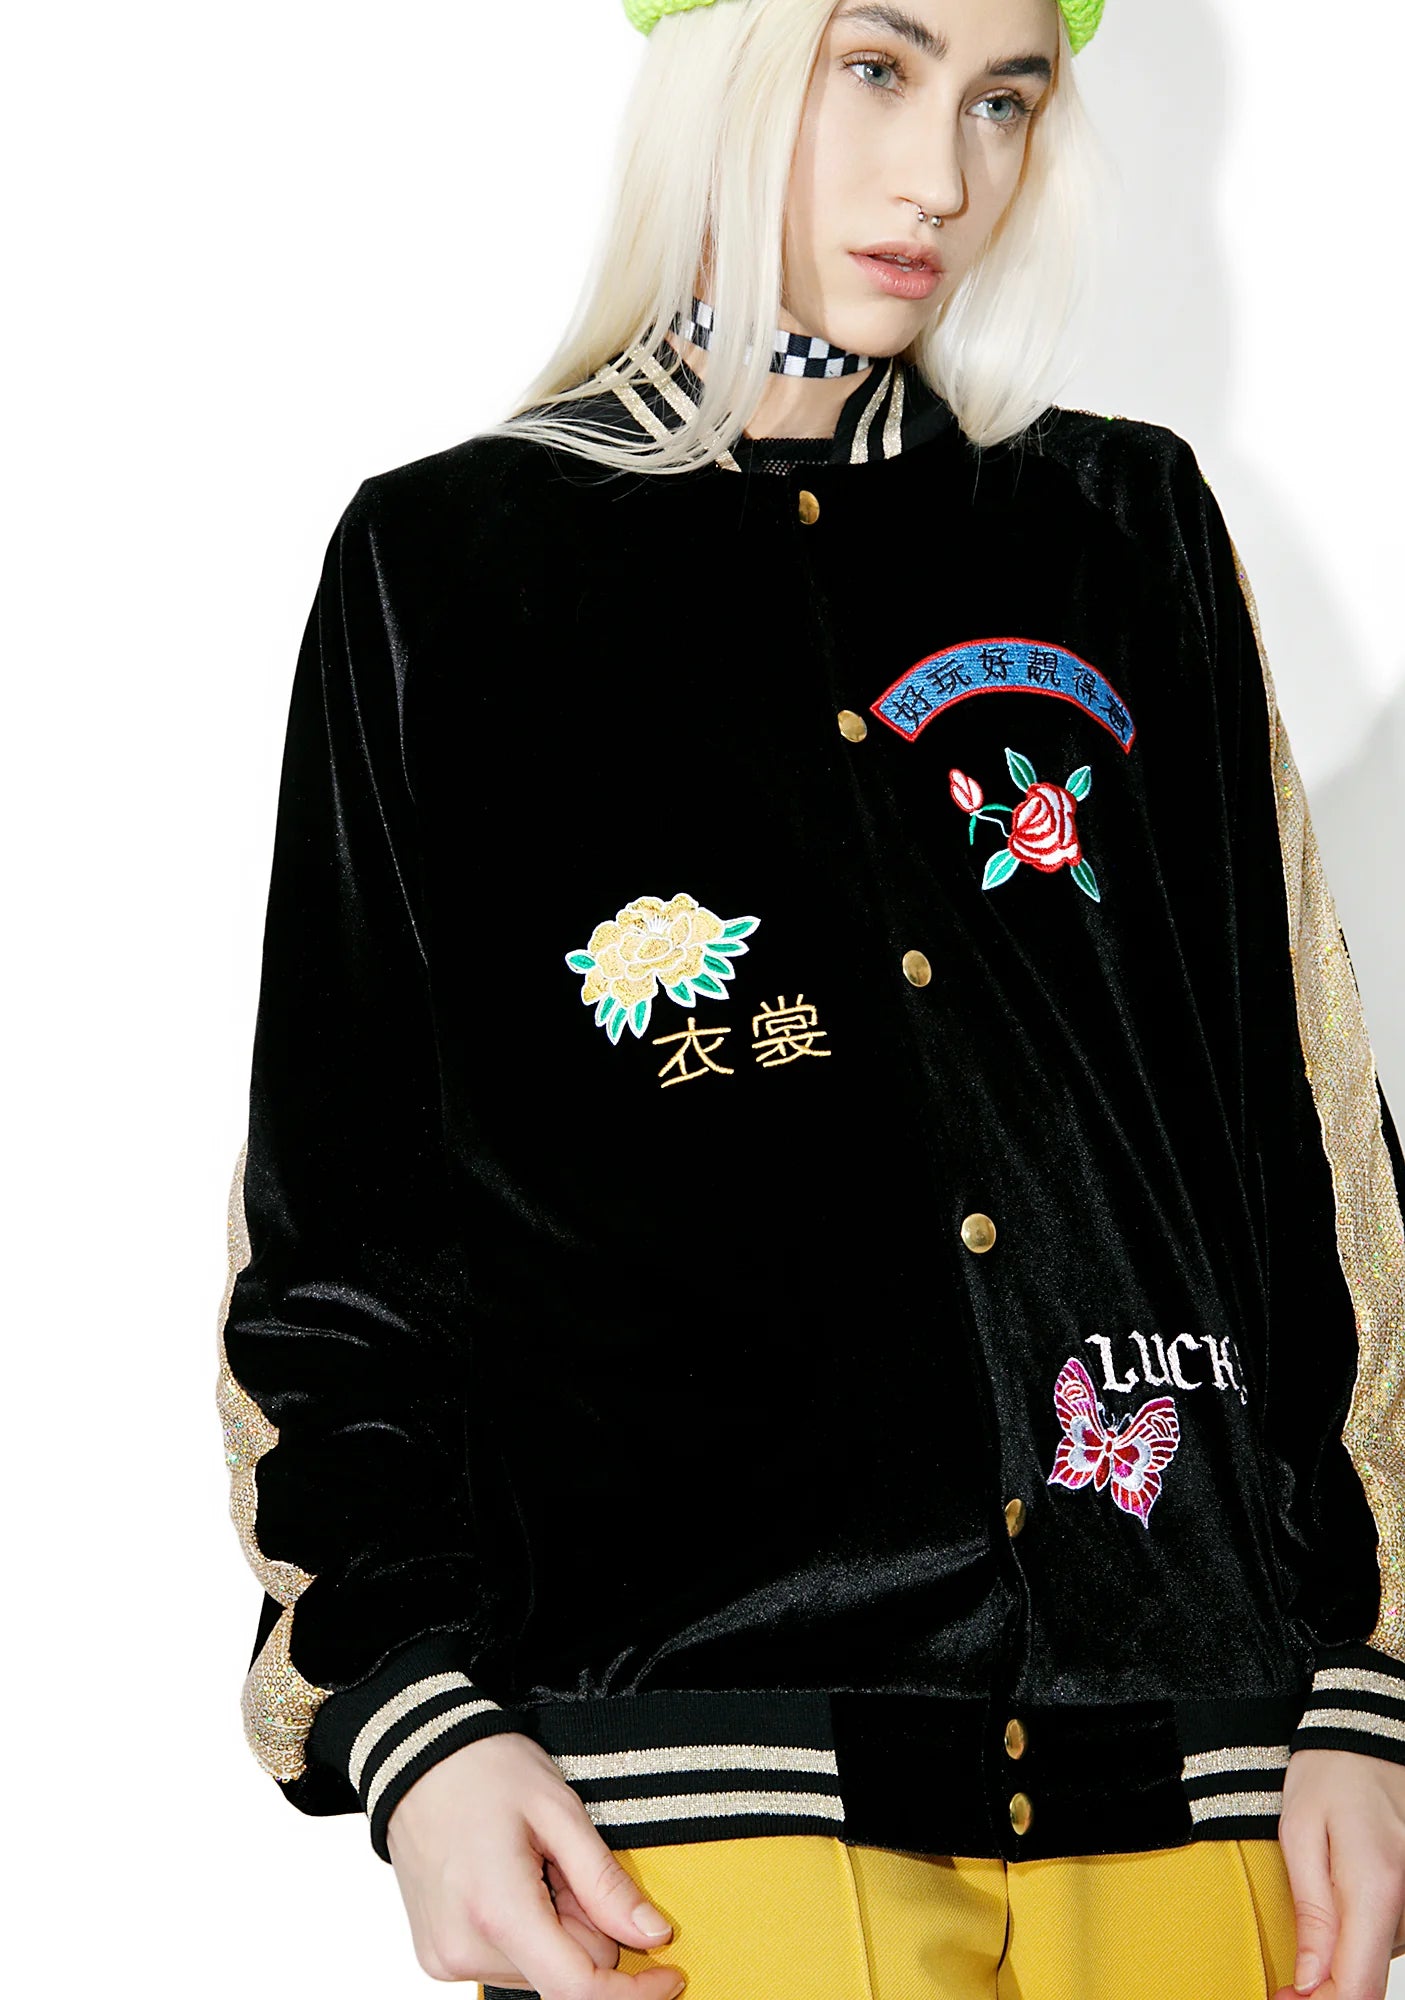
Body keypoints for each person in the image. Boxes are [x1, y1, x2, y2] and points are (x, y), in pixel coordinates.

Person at [213, 2, 1405, 1995]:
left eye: (1004, 99)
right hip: (684, 1809)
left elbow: (1308, 1141)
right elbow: (337, 1237)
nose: (941, 175)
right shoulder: (451, 568)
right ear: (727, 62)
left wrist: (1364, 1678)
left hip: (1195, 1768)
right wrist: (412, 1717)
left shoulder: (1120, 533)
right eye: (876, 66)